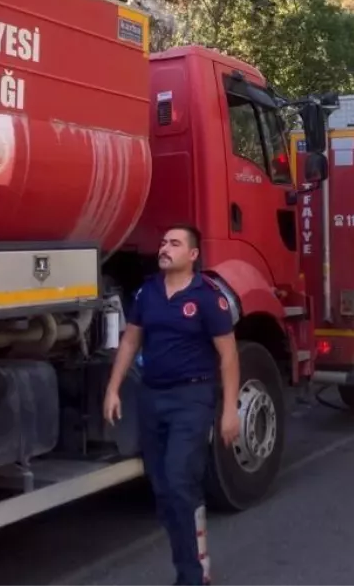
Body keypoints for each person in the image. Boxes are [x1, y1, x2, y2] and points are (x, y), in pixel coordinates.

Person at [104, 226, 239, 586]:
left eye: (174, 244)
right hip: (152, 398)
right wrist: (113, 388)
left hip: (192, 399)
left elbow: (228, 355)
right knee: (163, 491)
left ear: (193, 255)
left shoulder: (208, 297)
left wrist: (229, 410)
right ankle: (191, 566)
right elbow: (131, 341)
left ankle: (195, 576)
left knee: (181, 481)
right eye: (163, 242)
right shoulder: (147, 292)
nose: (164, 248)